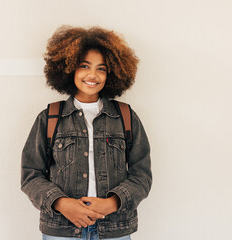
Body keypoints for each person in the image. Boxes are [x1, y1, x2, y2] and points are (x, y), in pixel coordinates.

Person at [21, 26, 152, 240]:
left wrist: (113, 202)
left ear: (112, 73)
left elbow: (142, 175)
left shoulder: (126, 117)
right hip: (62, 230)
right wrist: (62, 203)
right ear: (69, 68)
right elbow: (30, 175)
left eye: (101, 68)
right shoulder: (50, 117)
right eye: (84, 66)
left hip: (113, 230)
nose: (92, 75)